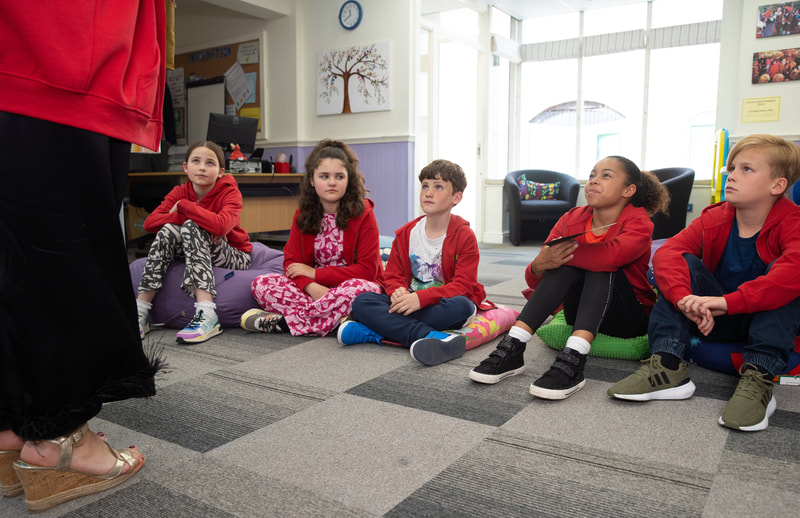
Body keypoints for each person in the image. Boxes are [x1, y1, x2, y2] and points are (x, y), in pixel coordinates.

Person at [0, 1, 168, 512]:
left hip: (18, 54)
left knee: (12, 257)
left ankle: (11, 429)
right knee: (64, 250)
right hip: (64, 57)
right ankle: (59, 439)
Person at [608, 135, 800, 432]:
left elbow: (790, 275)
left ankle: (759, 375)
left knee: (786, 278)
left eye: (746, 169)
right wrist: (684, 298)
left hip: (768, 323)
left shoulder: (793, 222)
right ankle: (668, 365)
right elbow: (669, 253)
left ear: (777, 185)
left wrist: (726, 303)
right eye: (731, 169)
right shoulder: (715, 217)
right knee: (681, 264)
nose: (731, 176)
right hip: (712, 317)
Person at [470, 156, 669, 400]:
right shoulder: (571, 218)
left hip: (628, 317)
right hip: (580, 312)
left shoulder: (639, 222)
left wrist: (560, 256)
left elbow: (609, 258)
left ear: (628, 190)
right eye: (592, 175)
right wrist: (539, 265)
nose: (593, 180)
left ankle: (574, 358)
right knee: (566, 264)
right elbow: (536, 281)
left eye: (606, 175)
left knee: (598, 263)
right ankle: (514, 345)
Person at [338, 159, 493, 366]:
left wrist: (421, 298)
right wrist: (397, 290)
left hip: (441, 305)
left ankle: (377, 330)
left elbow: (463, 286)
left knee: (463, 306)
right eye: (425, 186)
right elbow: (392, 276)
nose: (428, 193)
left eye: (438, 187)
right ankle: (429, 336)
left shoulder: (465, 236)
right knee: (362, 301)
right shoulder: (406, 233)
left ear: (456, 197)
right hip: (409, 303)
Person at [241, 139, 383, 336]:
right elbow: (291, 263)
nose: (332, 182)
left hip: (350, 286)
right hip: (314, 289)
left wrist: (315, 274)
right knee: (261, 284)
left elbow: (367, 271)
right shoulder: (303, 215)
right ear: (312, 180)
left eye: (339, 176)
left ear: (349, 179)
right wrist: (312, 287)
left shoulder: (364, 214)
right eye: (324, 176)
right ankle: (335, 318)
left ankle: (285, 323)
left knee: (361, 292)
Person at [136, 141, 253, 344]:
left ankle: (207, 313)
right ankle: (141, 311)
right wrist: (200, 219)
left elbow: (221, 226)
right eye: (196, 161)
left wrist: (184, 207)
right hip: (193, 248)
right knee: (168, 230)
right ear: (185, 167)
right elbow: (150, 223)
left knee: (192, 226)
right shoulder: (180, 191)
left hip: (235, 255)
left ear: (220, 171)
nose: (202, 167)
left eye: (210, 163)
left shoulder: (230, 192)